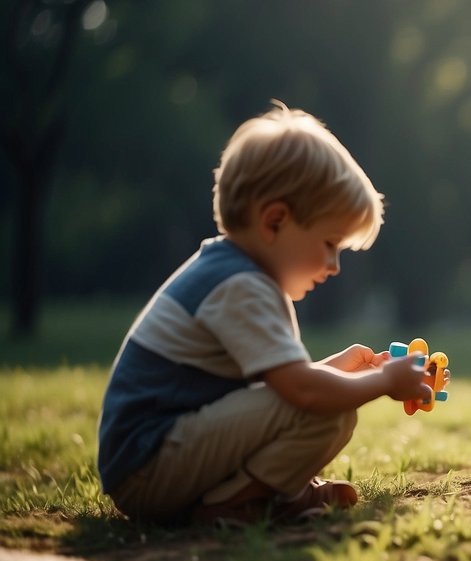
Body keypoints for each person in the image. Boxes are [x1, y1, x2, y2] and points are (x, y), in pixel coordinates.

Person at [97, 102, 437, 527]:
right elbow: (302, 393)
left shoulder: (232, 274)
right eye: (330, 244)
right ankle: (241, 503)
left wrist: (343, 372)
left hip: (151, 459)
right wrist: (383, 381)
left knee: (326, 404)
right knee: (330, 412)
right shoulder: (241, 287)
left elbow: (277, 387)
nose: (333, 265)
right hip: (148, 468)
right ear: (275, 221)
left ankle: (257, 495)